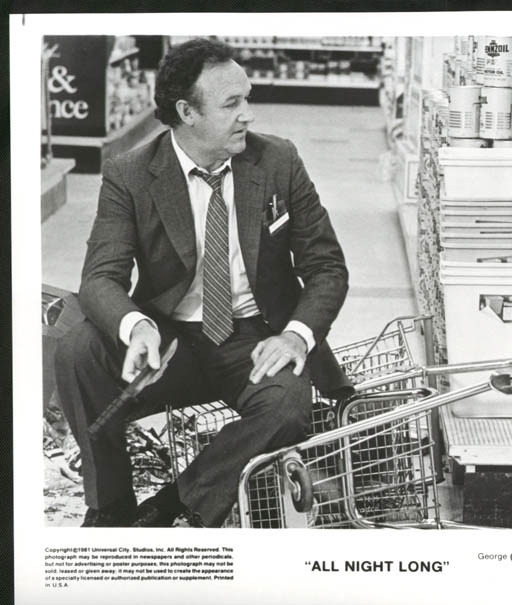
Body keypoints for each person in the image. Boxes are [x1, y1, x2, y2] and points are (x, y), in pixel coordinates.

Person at [55, 38, 350, 527]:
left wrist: (296, 336)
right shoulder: (131, 174)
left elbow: (326, 267)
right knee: (78, 348)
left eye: (247, 99)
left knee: (287, 407)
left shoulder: (278, 161)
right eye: (232, 104)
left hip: (256, 338)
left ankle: (176, 503)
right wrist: (136, 326)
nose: (248, 115)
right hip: (169, 341)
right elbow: (101, 277)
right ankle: (110, 506)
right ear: (186, 112)